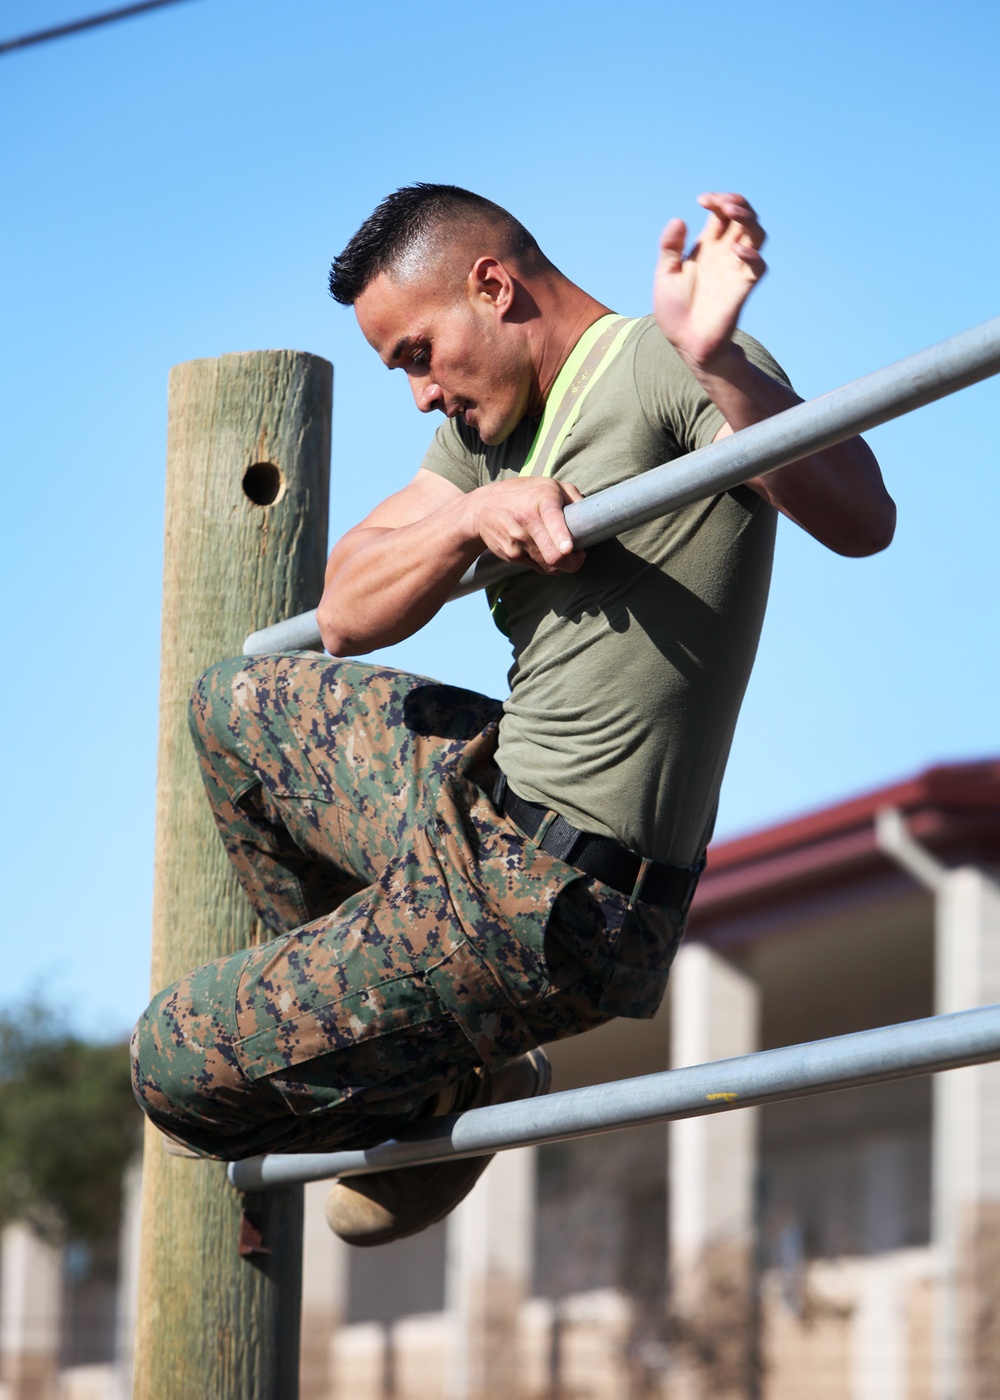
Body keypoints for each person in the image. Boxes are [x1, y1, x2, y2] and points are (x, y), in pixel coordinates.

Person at [131, 184, 895, 1247]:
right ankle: (418, 1061)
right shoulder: (487, 435)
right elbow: (347, 606)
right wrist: (469, 518)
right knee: (233, 707)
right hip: (484, 810)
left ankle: (417, 1059)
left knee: (168, 1063)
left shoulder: (662, 365)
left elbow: (864, 518)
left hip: (561, 901)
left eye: (415, 353)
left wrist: (719, 360)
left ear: (491, 286)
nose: (417, 392)